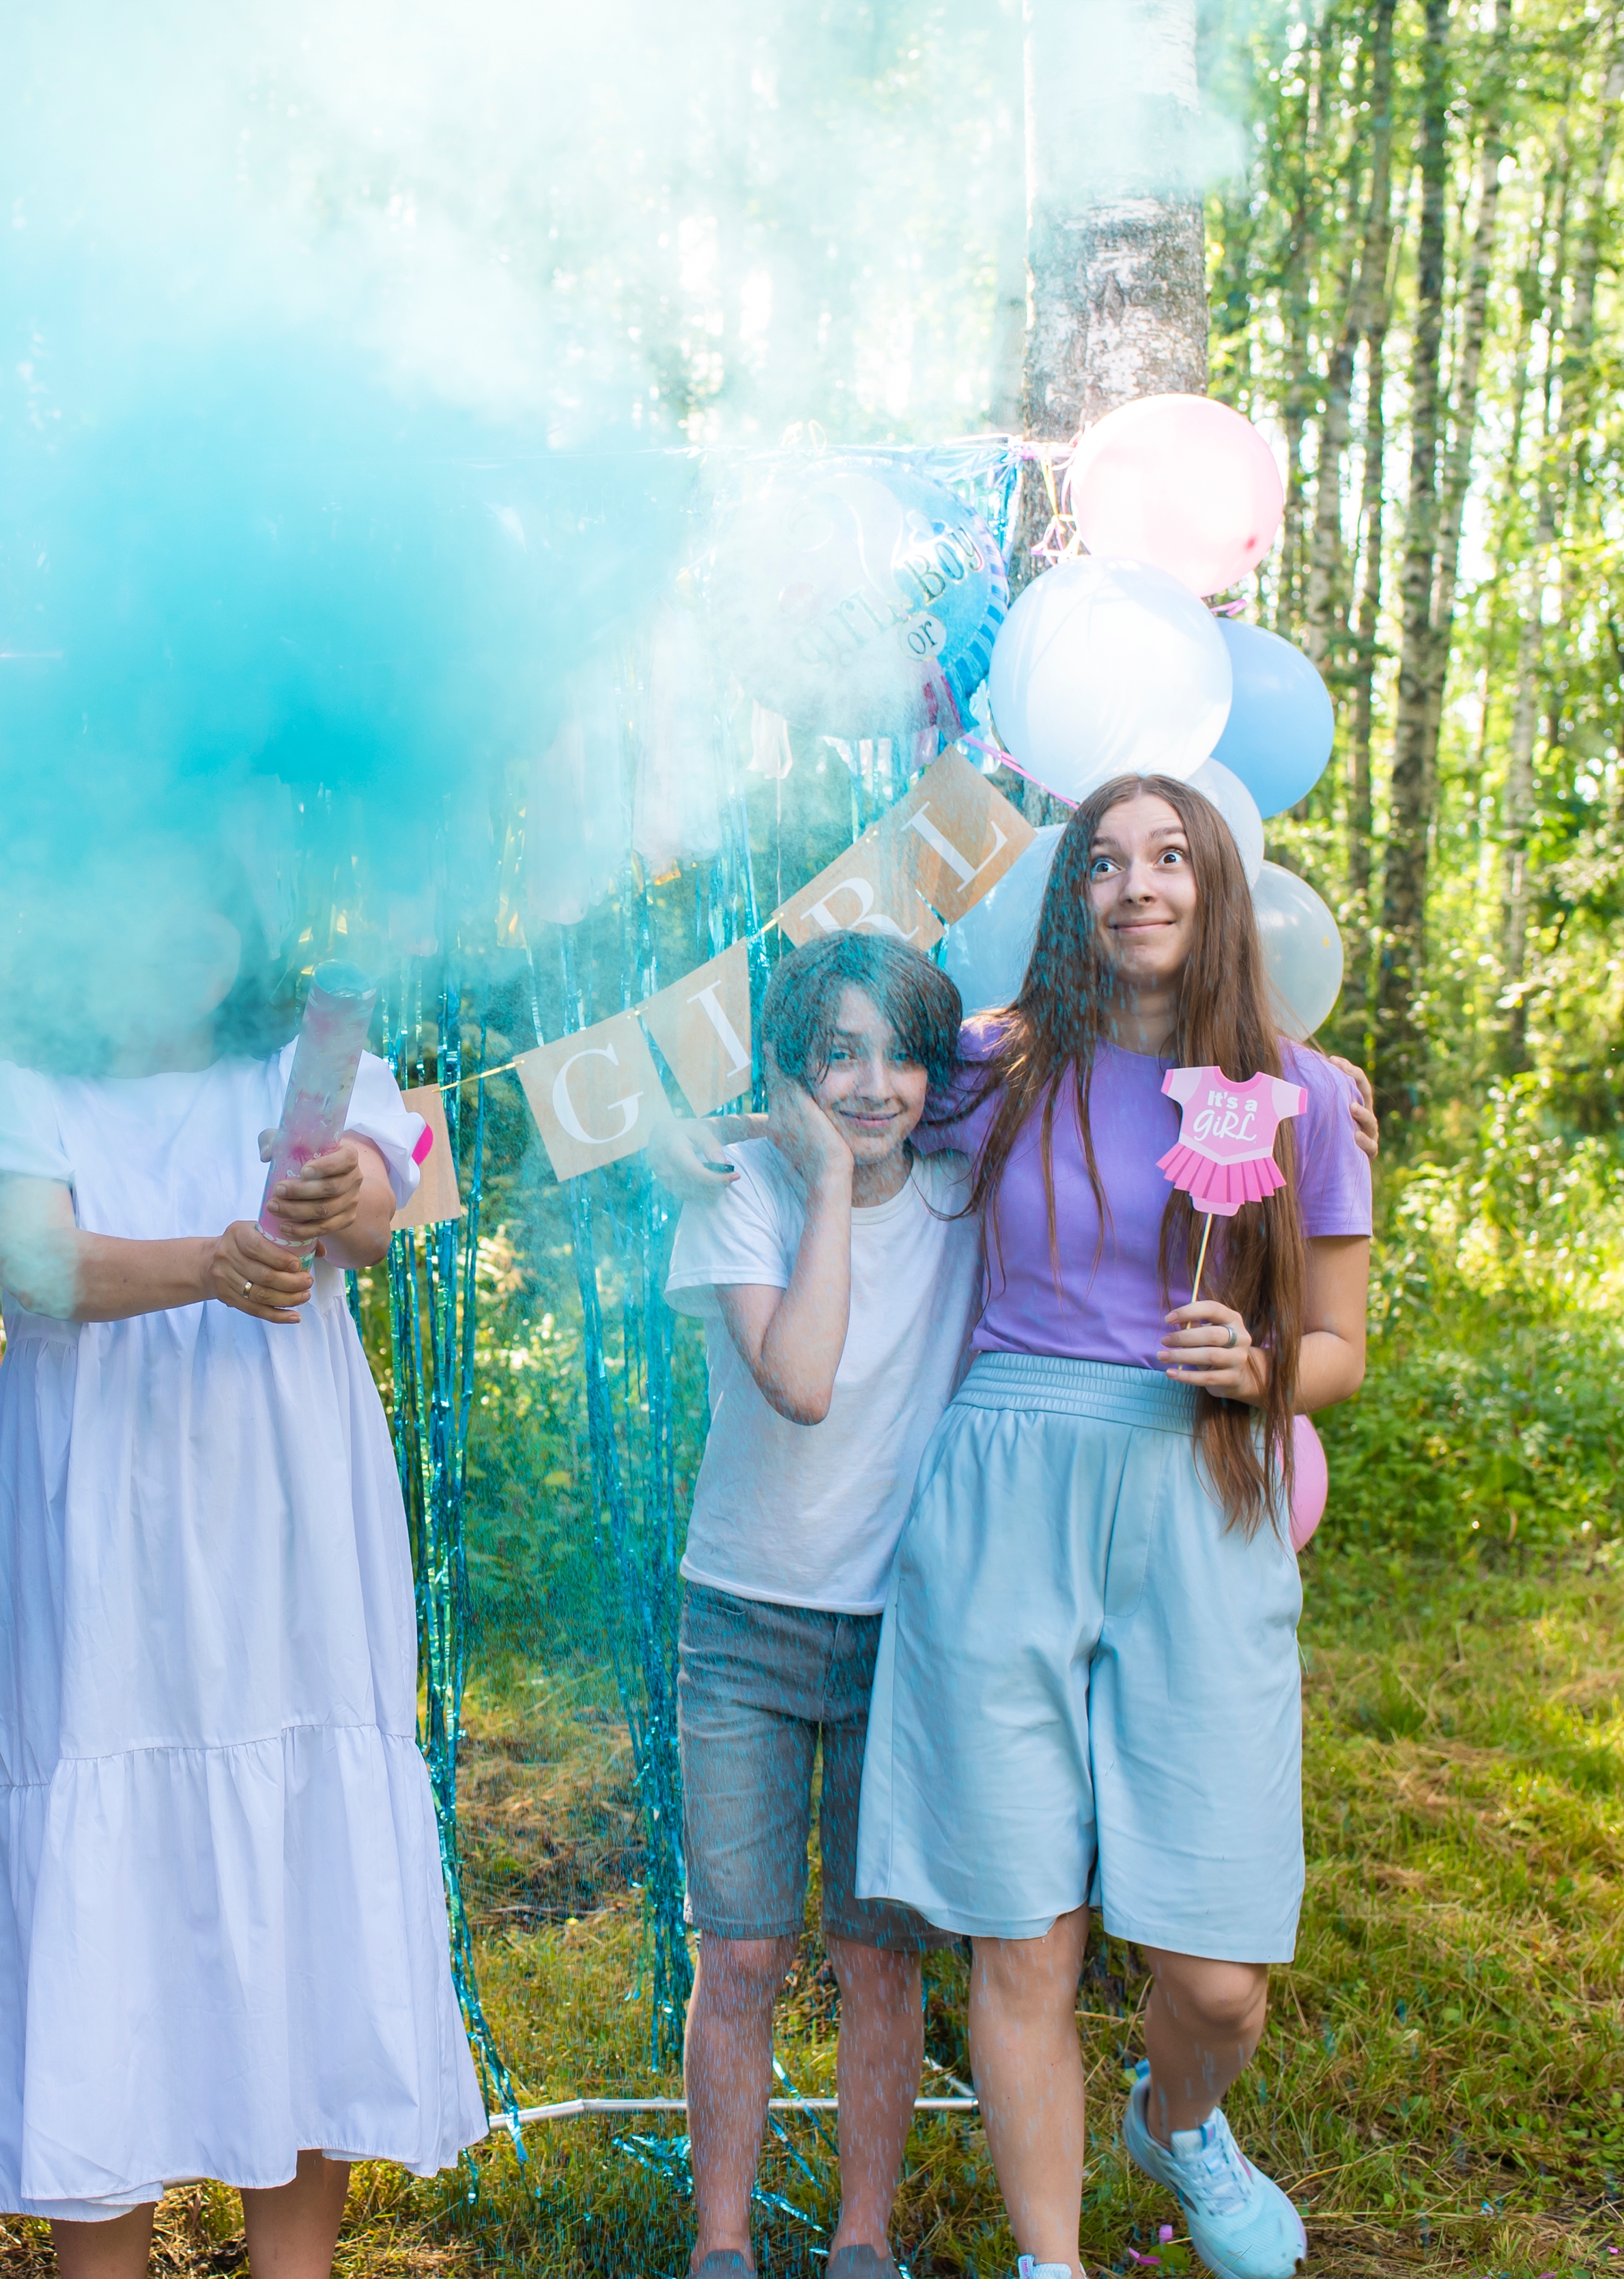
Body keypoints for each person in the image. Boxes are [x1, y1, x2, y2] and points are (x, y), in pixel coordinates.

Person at [0, 851, 485, 2279]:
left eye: (191, 900)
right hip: (95, 1516)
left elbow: (405, 1208)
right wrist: (210, 1266)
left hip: (281, 1511)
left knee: (294, 1847)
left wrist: (347, 1186)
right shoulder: (10, 1084)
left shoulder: (310, 1063)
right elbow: (41, 1264)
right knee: (103, 1850)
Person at [855, 774, 1374, 2279]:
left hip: (1200, 1490)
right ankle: (1049, 2259)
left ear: (1214, 889)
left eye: (1167, 858)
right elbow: (829, 1084)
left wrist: (1267, 1366)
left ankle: (1180, 2118)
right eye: (1100, 862)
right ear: (1066, 898)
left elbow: (1341, 1341)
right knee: (1023, 1930)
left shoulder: (1301, 1096)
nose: (1134, 884)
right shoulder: (992, 1066)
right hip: (1006, 1484)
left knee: (1214, 1978)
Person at [663, 931, 979, 2279]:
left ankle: (862, 2240)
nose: (873, 1083)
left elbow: (1096, 1095)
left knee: (877, 1958)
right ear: (793, 1074)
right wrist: (824, 1187)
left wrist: (1310, 1095)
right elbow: (799, 1377)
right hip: (745, 1621)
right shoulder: (738, 1192)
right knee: (739, 1952)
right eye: (838, 1053)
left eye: (902, 1052)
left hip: (904, 1630)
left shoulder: (970, 1198)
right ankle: (721, 2246)